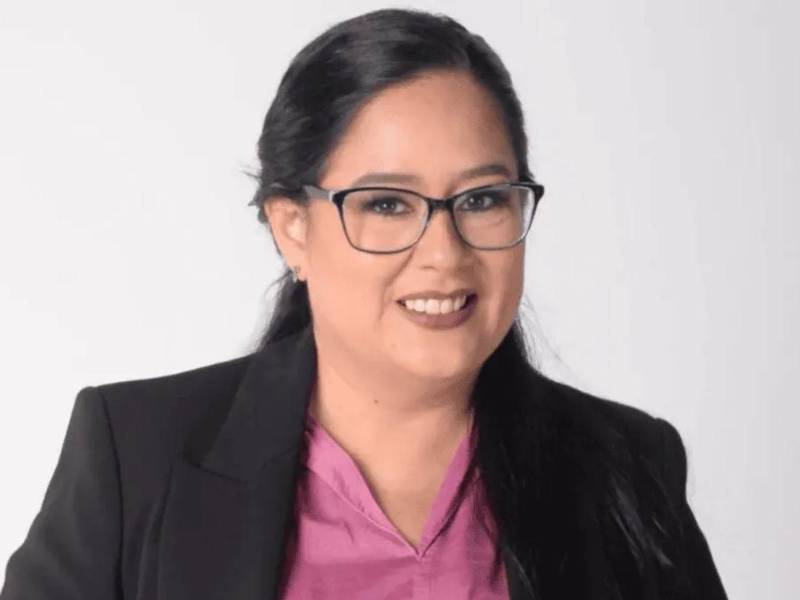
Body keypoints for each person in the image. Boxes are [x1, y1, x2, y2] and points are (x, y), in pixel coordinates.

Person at [0, 8, 728, 600]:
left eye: (481, 200)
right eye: (385, 203)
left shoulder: (626, 467)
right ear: (292, 228)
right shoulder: (137, 457)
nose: (444, 253)